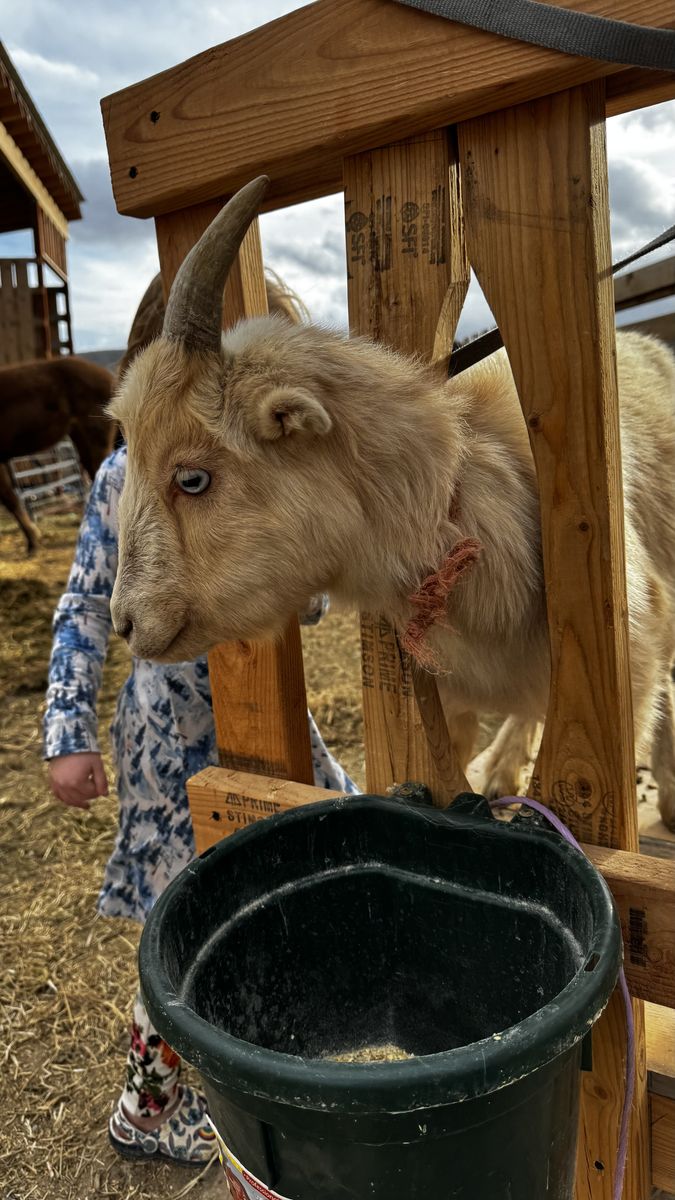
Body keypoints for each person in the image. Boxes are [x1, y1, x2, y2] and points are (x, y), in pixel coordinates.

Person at [43, 281, 358, 1167]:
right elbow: (80, 612)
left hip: (267, 721)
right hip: (170, 743)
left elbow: (314, 605)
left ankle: (276, 1050)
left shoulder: (265, 476)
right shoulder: (120, 478)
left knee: (331, 836)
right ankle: (145, 1111)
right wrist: (66, 732)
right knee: (180, 927)